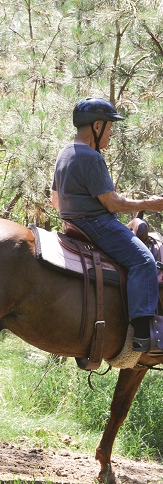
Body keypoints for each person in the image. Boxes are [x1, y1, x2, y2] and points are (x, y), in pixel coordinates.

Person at [51, 97, 163, 352]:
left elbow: (55, 199)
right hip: (96, 224)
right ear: (97, 126)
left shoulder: (66, 152)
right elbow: (112, 204)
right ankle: (144, 336)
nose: (111, 133)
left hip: (72, 223)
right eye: (110, 127)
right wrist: (152, 203)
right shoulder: (91, 158)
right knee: (143, 260)